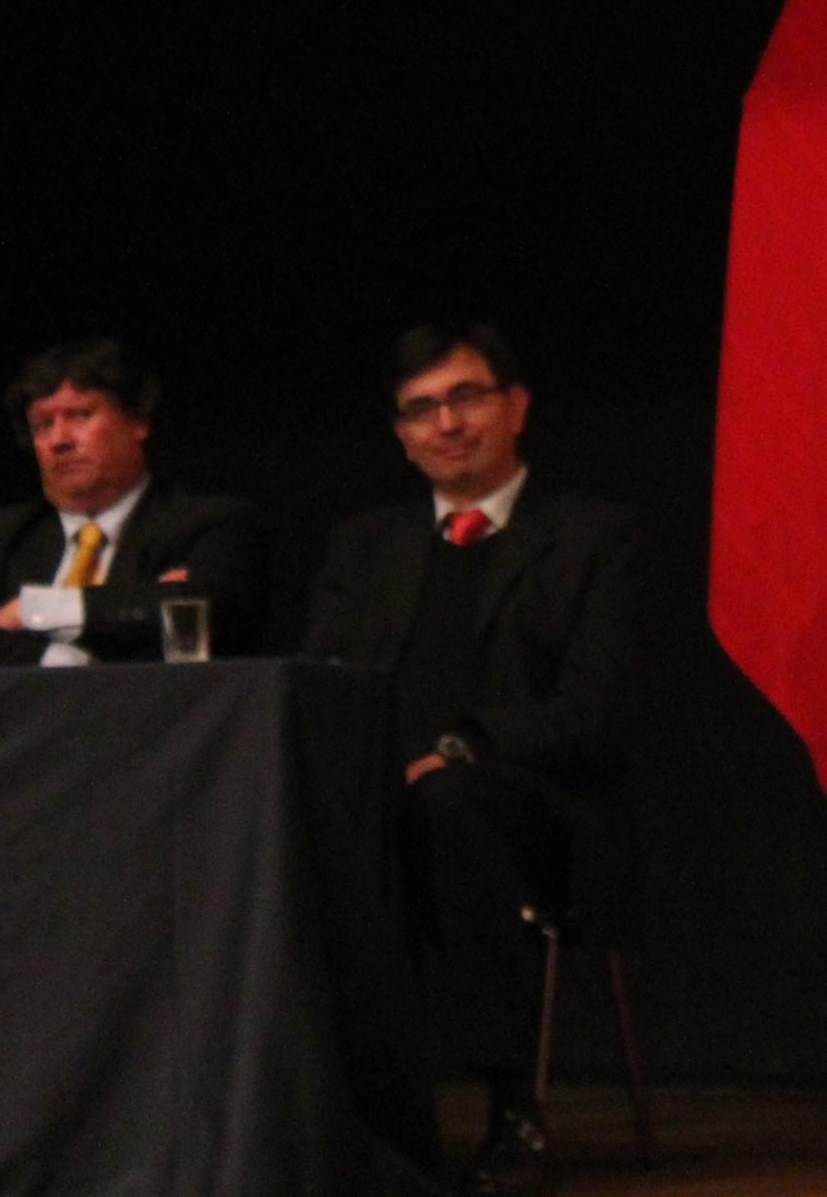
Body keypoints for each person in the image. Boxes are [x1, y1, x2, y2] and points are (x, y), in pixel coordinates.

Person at [303, 321, 639, 1192]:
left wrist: (461, 748)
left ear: (516, 407)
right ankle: (322, 1114)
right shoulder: (363, 546)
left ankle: (511, 1105)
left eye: (466, 397)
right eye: (421, 409)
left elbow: (591, 710)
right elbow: (326, 687)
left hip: (537, 807)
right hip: (389, 796)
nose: (446, 423)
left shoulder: (590, 536)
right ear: (401, 438)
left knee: (447, 805)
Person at [0, 337, 267, 666]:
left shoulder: (210, 522)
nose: (59, 440)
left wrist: (30, 612)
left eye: (80, 415)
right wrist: (57, 656)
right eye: (42, 425)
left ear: (138, 422)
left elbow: (207, 609)